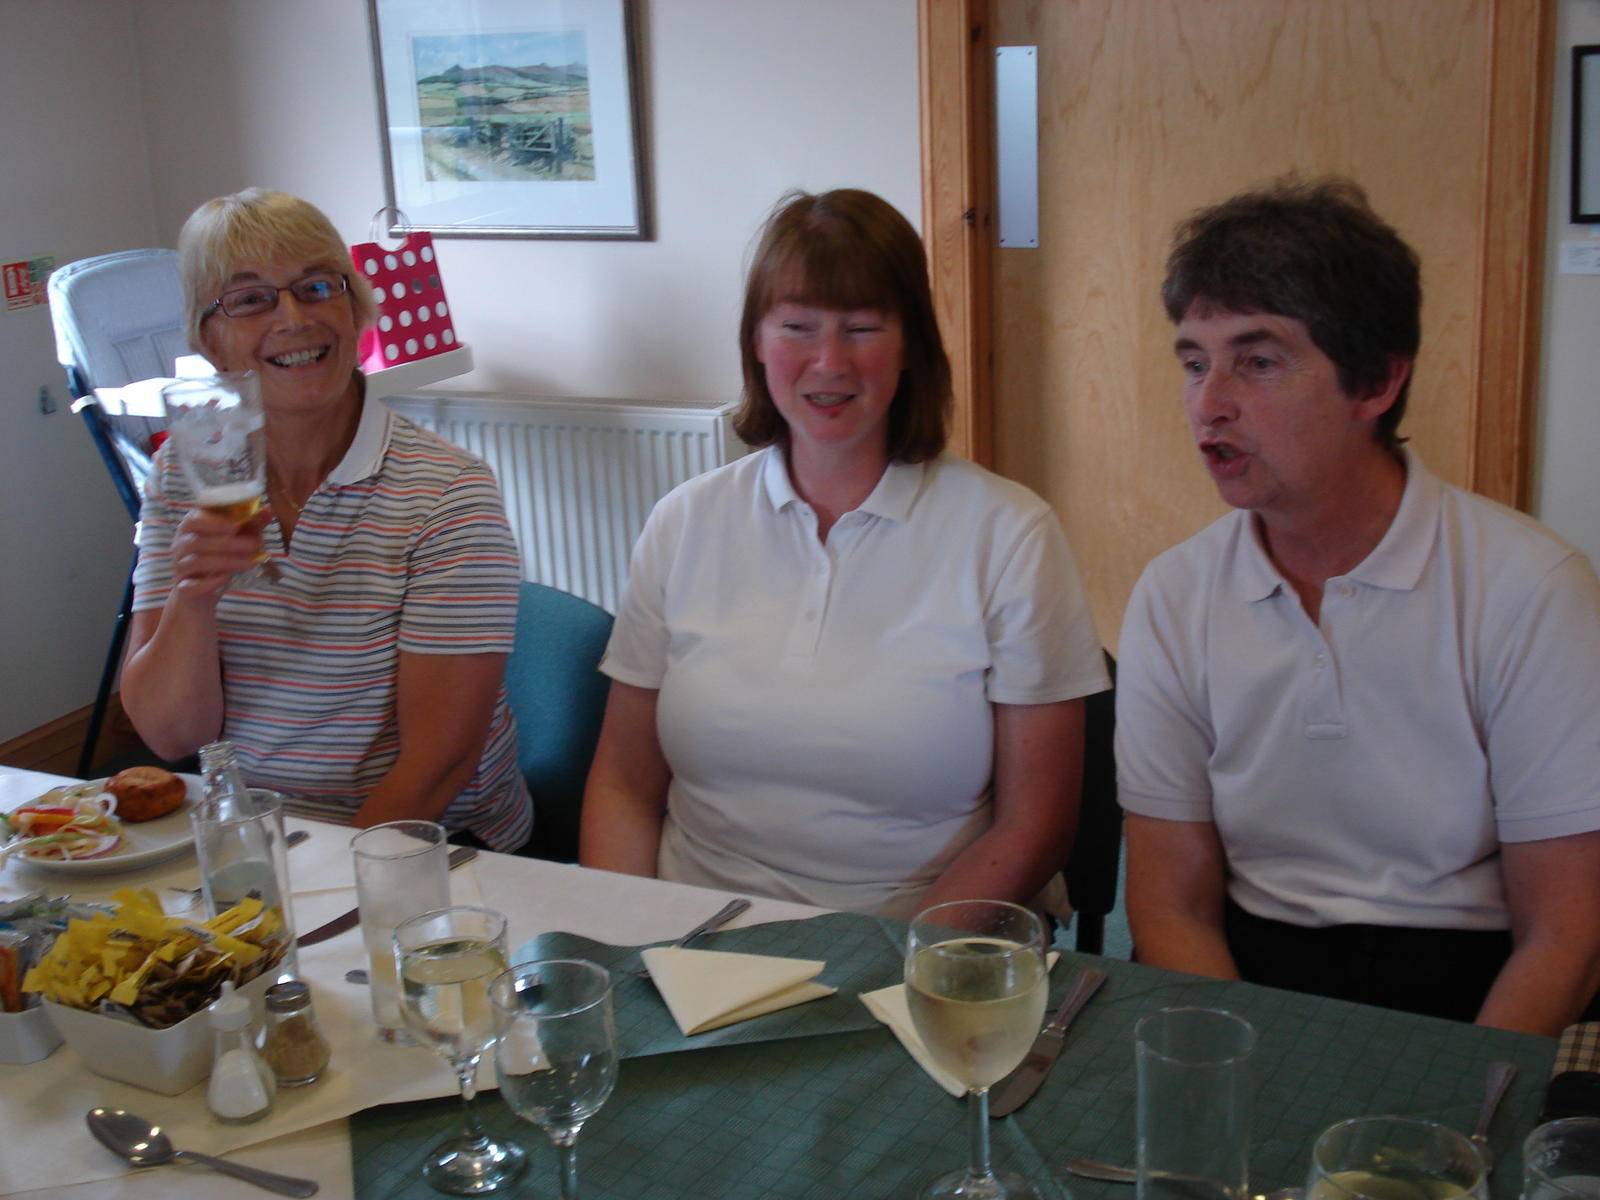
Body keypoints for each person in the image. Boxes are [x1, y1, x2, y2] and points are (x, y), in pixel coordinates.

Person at [1117, 176, 1600, 1035]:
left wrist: (1466, 1102)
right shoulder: (1175, 593)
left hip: (1470, 980)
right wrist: (1238, 1071)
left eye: (1258, 362)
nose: (1208, 404)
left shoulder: (1530, 588)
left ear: (1376, 381)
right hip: (1248, 970)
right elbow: (1170, 906)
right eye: (1194, 363)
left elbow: (1565, 934)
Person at [579, 188, 1108, 918]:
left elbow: (1035, 827)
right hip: (691, 934)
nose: (829, 362)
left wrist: (906, 963)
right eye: (798, 327)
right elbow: (622, 785)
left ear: (911, 346)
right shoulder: (684, 522)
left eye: (862, 329)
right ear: (756, 342)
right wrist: (629, 932)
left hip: (916, 936)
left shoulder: (1011, 534)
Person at [121, 188, 531, 851]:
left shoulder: (447, 492)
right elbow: (171, 736)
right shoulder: (187, 474)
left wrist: (314, 888)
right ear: (210, 339)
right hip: (258, 837)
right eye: (251, 299)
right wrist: (192, 599)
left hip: (428, 846)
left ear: (356, 309)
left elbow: (438, 768)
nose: (294, 319)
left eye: (317, 288)